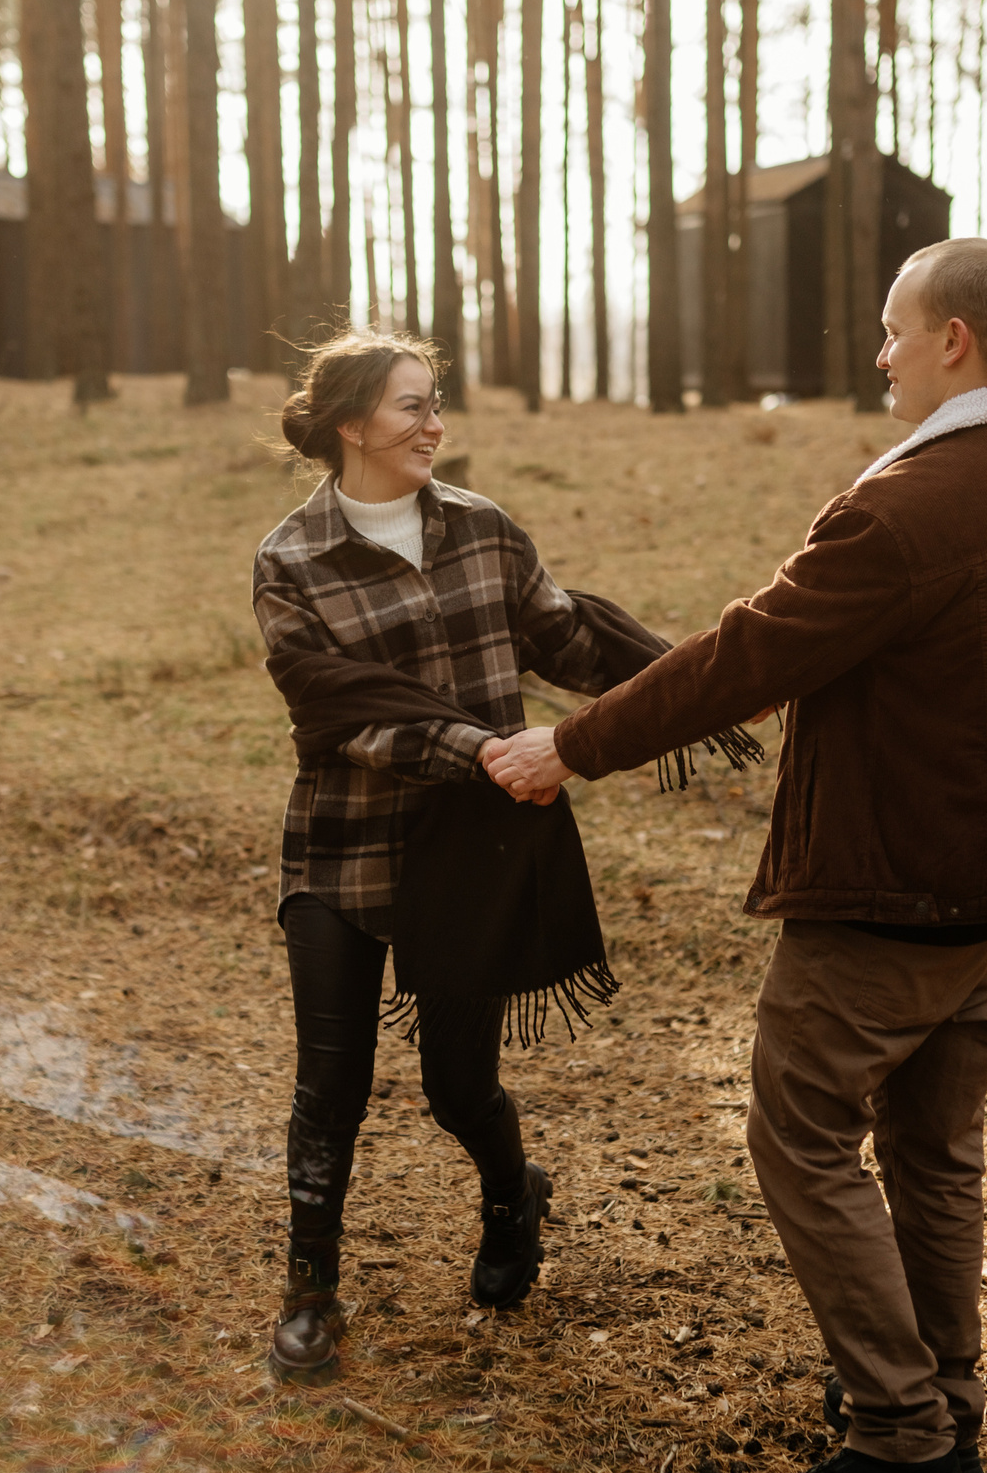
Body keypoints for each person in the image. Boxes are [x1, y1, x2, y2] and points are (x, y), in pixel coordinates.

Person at [486, 239, 987, 1473]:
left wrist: (571, 743)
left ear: (955, 341)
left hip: (897, 883)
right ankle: (946, 1402)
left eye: (894, 329)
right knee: (935, 1153)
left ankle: (898, 1444)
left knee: (801, 1132)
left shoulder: (910, 505)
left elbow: (750, 651)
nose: (878, 353)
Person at [252, 328, 693, 1386]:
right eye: (411, 405)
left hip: (473, 848)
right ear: (352, 422)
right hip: (345, 850)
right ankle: (310, 1292)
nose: (433, 422)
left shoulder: (485, 529)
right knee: (331, 1085)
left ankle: (511, 1196)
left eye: (436, 401)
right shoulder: (292, 560)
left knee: (459, 1084)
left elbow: (565, 638)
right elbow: (341, 711)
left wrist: (694, 680)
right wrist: (486, 748)